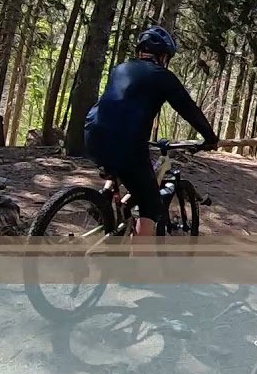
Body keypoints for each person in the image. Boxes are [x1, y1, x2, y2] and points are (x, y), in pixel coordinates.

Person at [84, 25, 219, 237]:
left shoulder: (119, 69)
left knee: (120, 164)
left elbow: (116, 106)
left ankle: (106, 199)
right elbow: (189, 110)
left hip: (92, 133)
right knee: (150, 206)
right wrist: (210, 138)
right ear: (163, 56)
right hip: (127, 143)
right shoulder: (163, 76)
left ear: (140, 51)